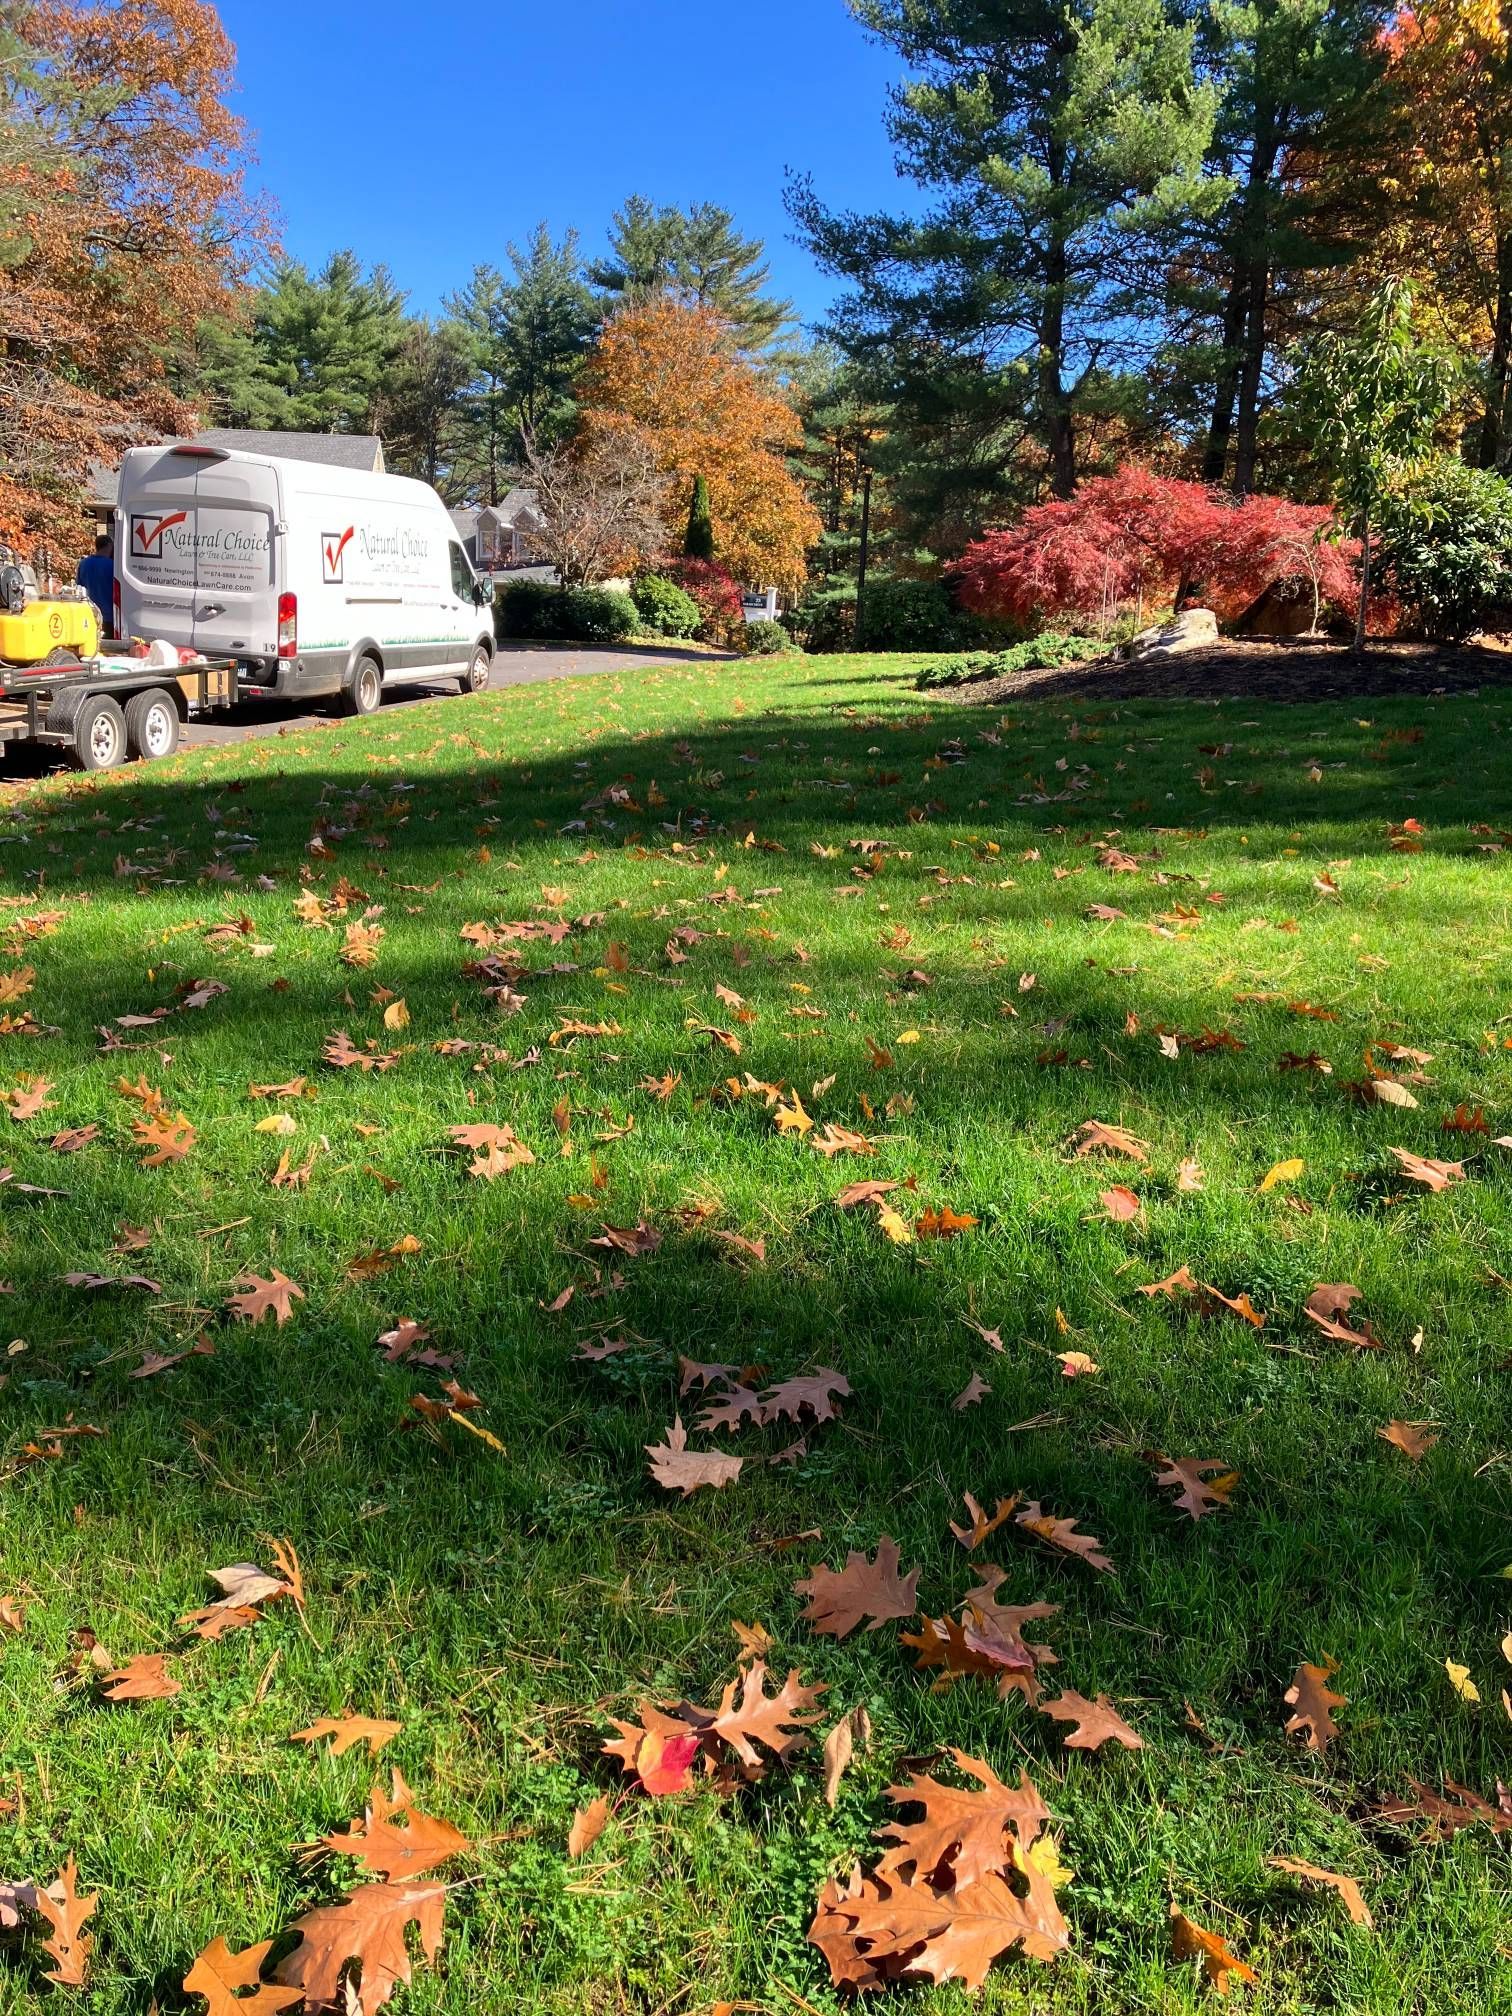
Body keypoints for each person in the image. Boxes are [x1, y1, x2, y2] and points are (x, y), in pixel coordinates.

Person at [76, 534, 113, 633]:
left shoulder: (83, 564)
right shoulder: (112, 565)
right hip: (108, 616)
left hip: (88, 613)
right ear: (109, 546)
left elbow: (79, 588)